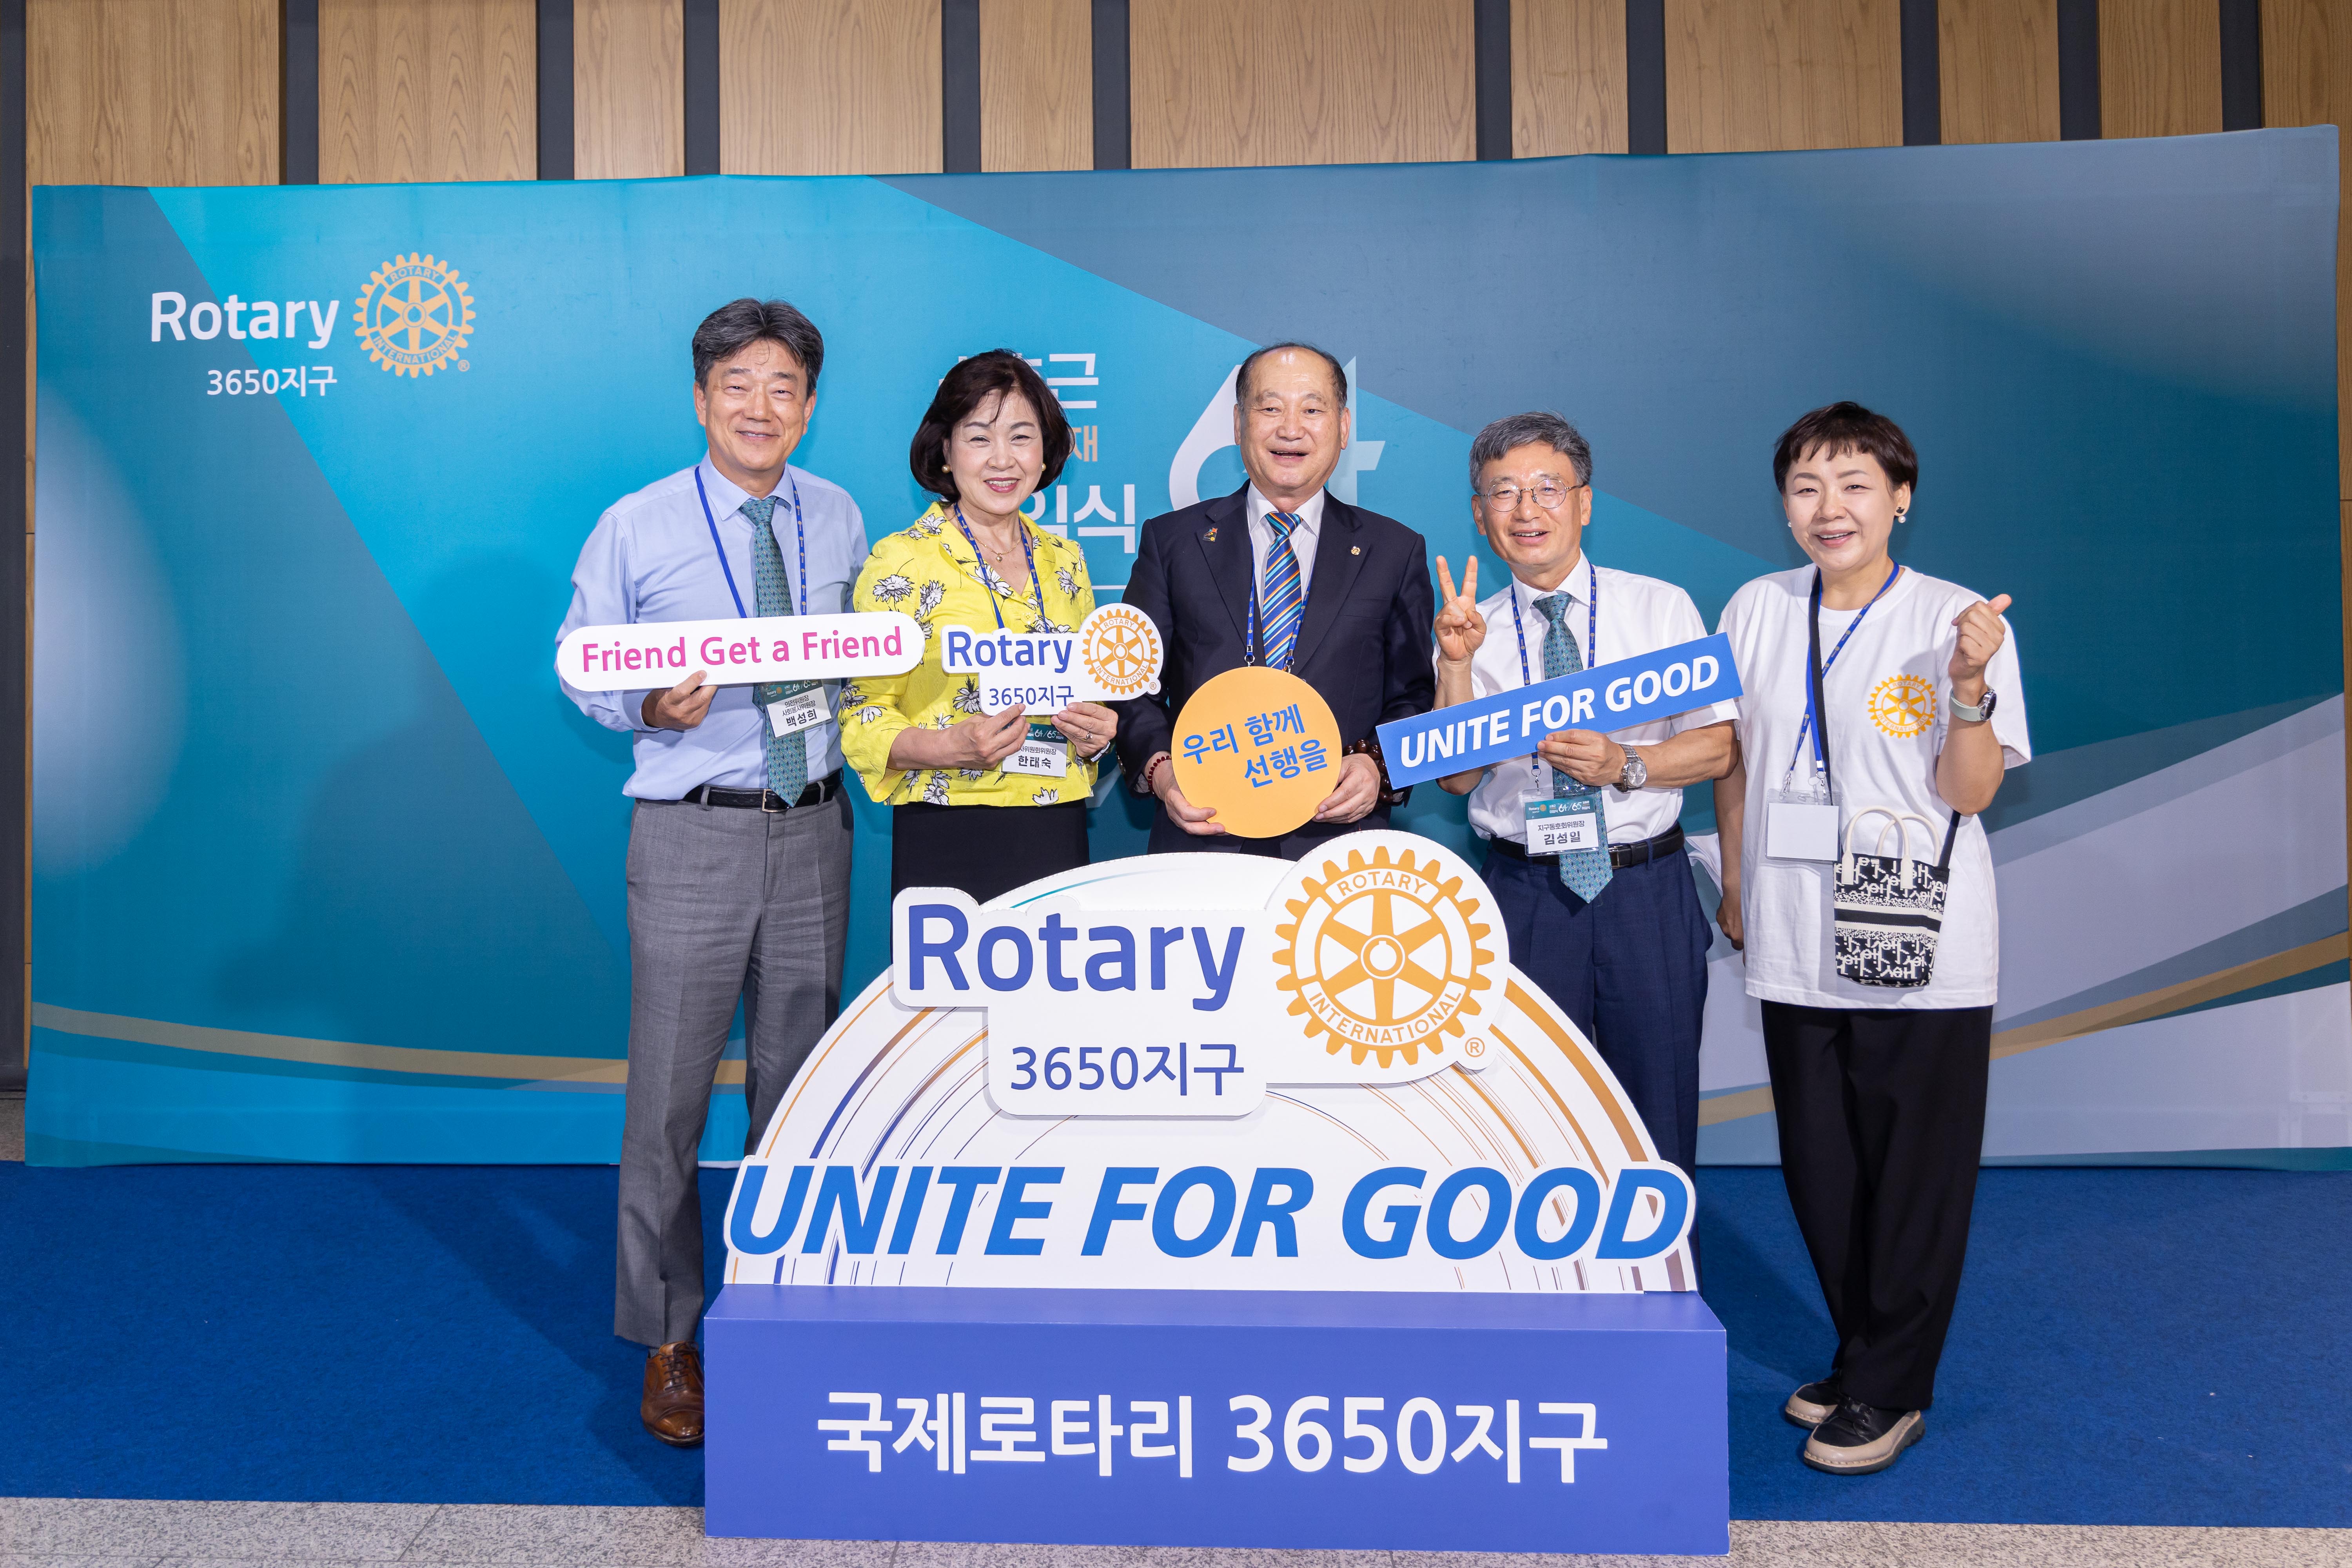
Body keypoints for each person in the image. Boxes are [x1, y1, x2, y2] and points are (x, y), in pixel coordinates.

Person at [556, 298, 864, 1448]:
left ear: (809, 406)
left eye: (783, 386)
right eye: (738, 384)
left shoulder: (838, 515)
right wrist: (648, 702)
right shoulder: (636, 524)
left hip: (814, 828)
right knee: (669, 1105)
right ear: (701, 399)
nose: (760, 407)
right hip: (693, 831)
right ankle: (670, 1339)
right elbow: (581, 661)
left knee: (800, 1097)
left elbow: (862, 658)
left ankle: (786, 1310)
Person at [1713, 401, 2027, 1477]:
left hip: (1916, 938)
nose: (1829, 507)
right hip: (1793, 929)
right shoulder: (1756, 607)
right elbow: (1734, 757)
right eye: (1806, 486)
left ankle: (1894, 1388)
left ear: (1901, 498)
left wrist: (1969, 689)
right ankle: (1862, 1353)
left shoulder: (1954, 620)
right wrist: (1737, 879)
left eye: (1855, 484)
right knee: (1824, 1165)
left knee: (1914, 1173)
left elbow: (1969, 791)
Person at [1429, 413, 1734, 1184]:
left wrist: (1626, 762)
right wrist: (1456, 664)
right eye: (1504, 493)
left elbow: (1717, 747)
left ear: (1585, 502)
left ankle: (1664, 1257)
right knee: (1528, 1117)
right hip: (1525, 892)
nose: (1526, 510)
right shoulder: (1467, 626)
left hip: (1644, 890)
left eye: (1547, 489)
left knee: (1657, 1112)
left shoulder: (1659, 607)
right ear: (1480, 515)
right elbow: (1456, 778)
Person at [1114, 342, 1434, 857]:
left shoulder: (1394, 551)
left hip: (1338, 847)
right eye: (1270, 408)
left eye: (1312, 409)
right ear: (1238, 423)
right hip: (1204, 839)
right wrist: (1161, 770)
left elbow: (1414, 694)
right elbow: (1131, 685)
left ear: (1343, 427)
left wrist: (1379, 765)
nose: (1290, 429)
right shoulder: (1173, 542)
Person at [839, 350, 1118, 902]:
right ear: (945, 450)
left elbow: (1091, 696)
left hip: (1055, 825)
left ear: (1046, 451)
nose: (1003, 460)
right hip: (948, 829)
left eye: (1021, 437)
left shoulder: (1066, 561)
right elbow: (862, 716)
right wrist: (948, 747)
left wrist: (1097, 735)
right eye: (979, 438)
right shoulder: (902, 562)